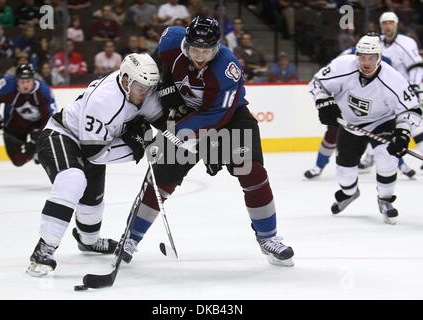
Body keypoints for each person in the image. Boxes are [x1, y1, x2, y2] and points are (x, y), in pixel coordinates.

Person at [119, 16, 295, 267]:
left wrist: (193, 140)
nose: (200, 56)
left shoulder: (227, 68)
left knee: (253, 173)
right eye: (196, 49)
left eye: (207, 51)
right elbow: (158, 70)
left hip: (229, 118)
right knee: (161, 181)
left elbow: (216, 115)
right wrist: (167, 92)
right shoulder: (171, 41)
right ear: (186, 44)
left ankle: (268, 237)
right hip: (184, 115)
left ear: (217, 48)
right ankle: (131, 238)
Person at [26, 53, 164, 277]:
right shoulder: (104, 100)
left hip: (98, 142)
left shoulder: (141, 90)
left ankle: (87, 241)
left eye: (150, 87)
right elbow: (96, 154)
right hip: (63, 135)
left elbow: (163, 120)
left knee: (91, 206)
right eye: (142, 87)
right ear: (126, 79)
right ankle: (44, 250)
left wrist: (173, 139)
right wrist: (138, 145)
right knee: (72, 179)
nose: (146, 93)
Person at [309, 35, 421, 224]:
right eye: (362, 57)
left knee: (387, 160)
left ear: (379, 57)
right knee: (345, 174)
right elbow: (317, 83)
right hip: (349, 124)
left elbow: (411, 110)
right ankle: (350, 193)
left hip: (382, 122)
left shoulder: (393, 79)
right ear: (357, 56)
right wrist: (323, 103)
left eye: (371, 57)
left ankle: (385, 200)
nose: (366, 62)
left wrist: (402, 133)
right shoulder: (342, 66)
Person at [304, 34, 415, 179]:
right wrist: (326, 101)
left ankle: (401, 165)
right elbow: (332, 73)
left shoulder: (385, 60)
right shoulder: (347, 56)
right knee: (332, 133)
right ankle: (318, 166)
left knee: (389, 141)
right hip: (345, 106)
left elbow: (394, 83)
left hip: (374, 108)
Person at [359, 12, 423, 171]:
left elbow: (416, 65)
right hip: (381, 92)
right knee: (375, 124)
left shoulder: (407, 43)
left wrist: (414, 85)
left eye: (391, 23)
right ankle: (370, 156)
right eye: (385, 23)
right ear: (381, 25)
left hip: (403, 91)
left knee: (413, 125)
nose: (388, 26)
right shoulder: (377, 42)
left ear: (396, 24)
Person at [0, 64, 56, 167]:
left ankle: (37, 152)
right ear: (16, 80)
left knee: (43, 144)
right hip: (15, 124)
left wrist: (37, 139)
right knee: (18, 161)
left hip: (37, 125)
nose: (25, 85)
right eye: (22, 82)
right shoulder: (7, 85)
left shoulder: (44, 92)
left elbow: (49, 119)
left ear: (33, 80)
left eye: (28, 81)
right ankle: (34, 154)